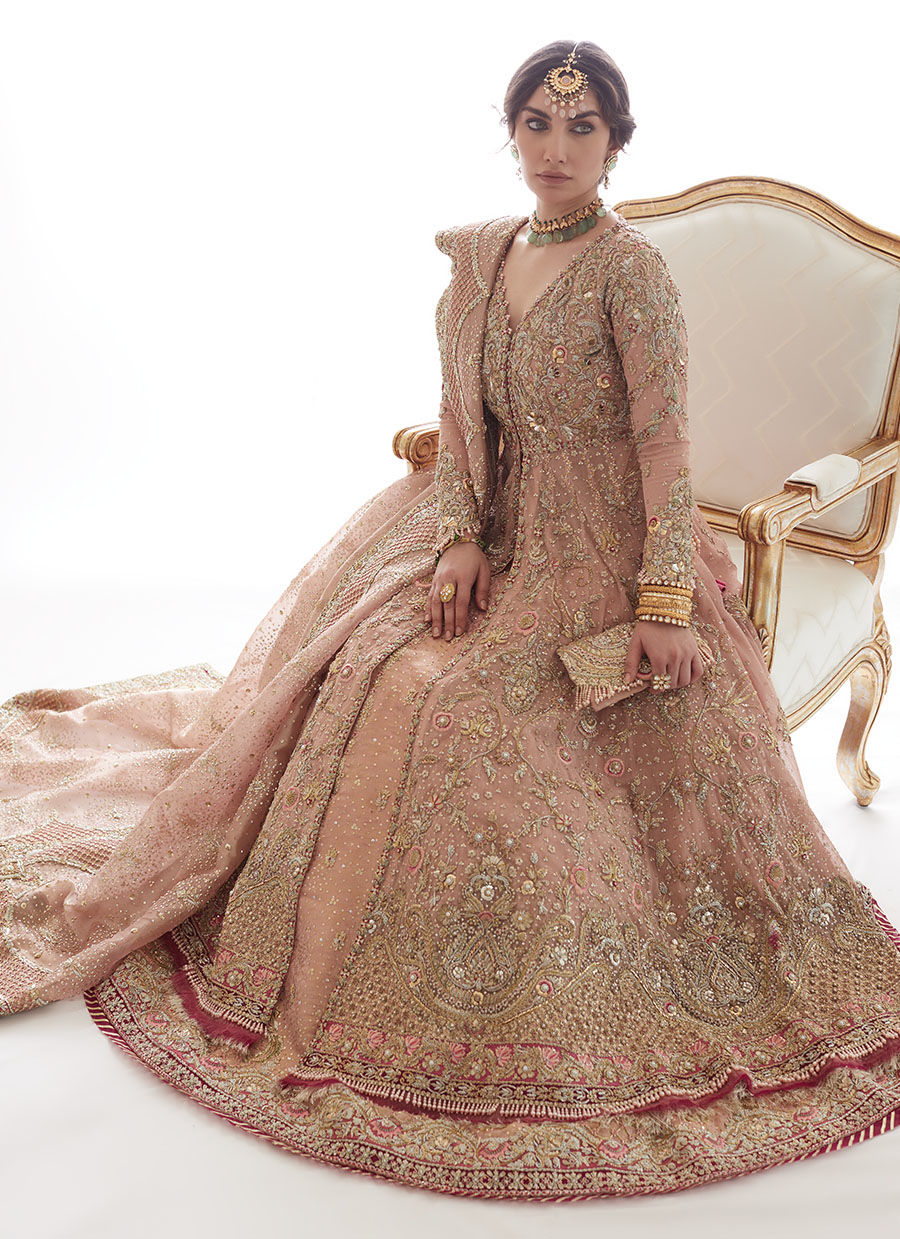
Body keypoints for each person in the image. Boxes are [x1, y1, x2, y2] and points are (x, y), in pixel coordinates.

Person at [2, 38, 900, 1202]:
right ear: (511, 130)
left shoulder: (632, 274)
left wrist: (664, 597)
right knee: (377, 664)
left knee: (472, 714)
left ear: (617, 143)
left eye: (582, 127)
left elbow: (664, 445)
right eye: (537, 122)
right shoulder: (479, 260)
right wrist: (463, 538)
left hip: (610, 547)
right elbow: (461, 420)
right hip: (502, 530)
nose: (556, 147)